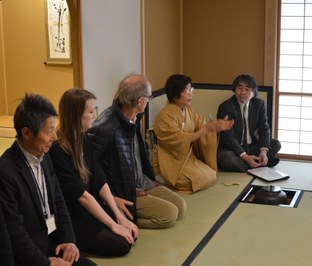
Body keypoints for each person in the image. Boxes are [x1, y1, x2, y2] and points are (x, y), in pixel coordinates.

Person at [0, 93, 95, 266]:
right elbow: (15, 232)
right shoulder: (6, 171)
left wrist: (69, 240)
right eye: (49, 131)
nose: (54, 137)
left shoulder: (45, 155)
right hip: (28, 257)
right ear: (26, 132)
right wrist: (47, 263)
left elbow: (58, 199)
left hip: (52, 244)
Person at [89, 73, 186, 229]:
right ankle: (120, 218)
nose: (149, 101)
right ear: (140, 101)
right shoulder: (104, 127)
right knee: (169, 215)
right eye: (149, 97)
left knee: (180, 206)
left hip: (141, 182)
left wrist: (149, 180)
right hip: (123, 191)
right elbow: (91, 171)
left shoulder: (132, 118)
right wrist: (113, 198)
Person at [49, 88, 138, 257]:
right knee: (121, 244)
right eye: (90, 111)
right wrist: (113, 225)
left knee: (129, 222)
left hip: (88, 207)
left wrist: (119, 217)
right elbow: (82, 196)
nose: (95, 115)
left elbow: (99, 180)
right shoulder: (57, 150)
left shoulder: (84, 138)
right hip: (72, 216)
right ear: (76, 115)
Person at [152, 74, 234, 193]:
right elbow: (178, 140)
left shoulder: (188, 109)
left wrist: (214, 127)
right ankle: (163, 177)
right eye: (186, 90)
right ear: (175, 93)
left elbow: (201, 125)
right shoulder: (164, 116)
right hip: (172, 159)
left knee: (211, 175)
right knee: (193, 180)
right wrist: (207, 129)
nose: (190, 93)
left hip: (188, 157)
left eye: (190, 89)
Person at [216, 74, 281, 172]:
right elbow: (228, 137)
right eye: (239, 88)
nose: (242, 92)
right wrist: (245, 156)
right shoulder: (226, 107)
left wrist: (263, 152)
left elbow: (264, 129)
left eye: (247, 89)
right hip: (233, 148)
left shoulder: (259, 104)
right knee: (225, 157)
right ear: (234, 89)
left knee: (276, 144)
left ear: (254, 92)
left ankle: (254, 162)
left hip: (251, 146)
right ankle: (255, 165)